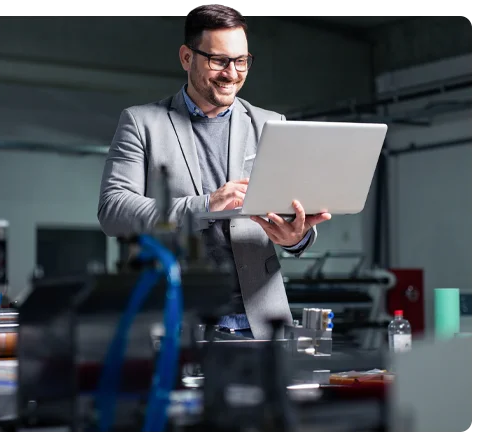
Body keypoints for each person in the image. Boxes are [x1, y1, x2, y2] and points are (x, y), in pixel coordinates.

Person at [98, 5, 331, 339]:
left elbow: (289, 213)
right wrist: (204, 205)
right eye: (218, 60)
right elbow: (113, 210)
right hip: (175, 323)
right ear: (186, 57)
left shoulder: (270, 124)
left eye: (241, 61)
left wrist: (297, 237)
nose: (232, 73)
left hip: (262, 323)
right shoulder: (142, 123)